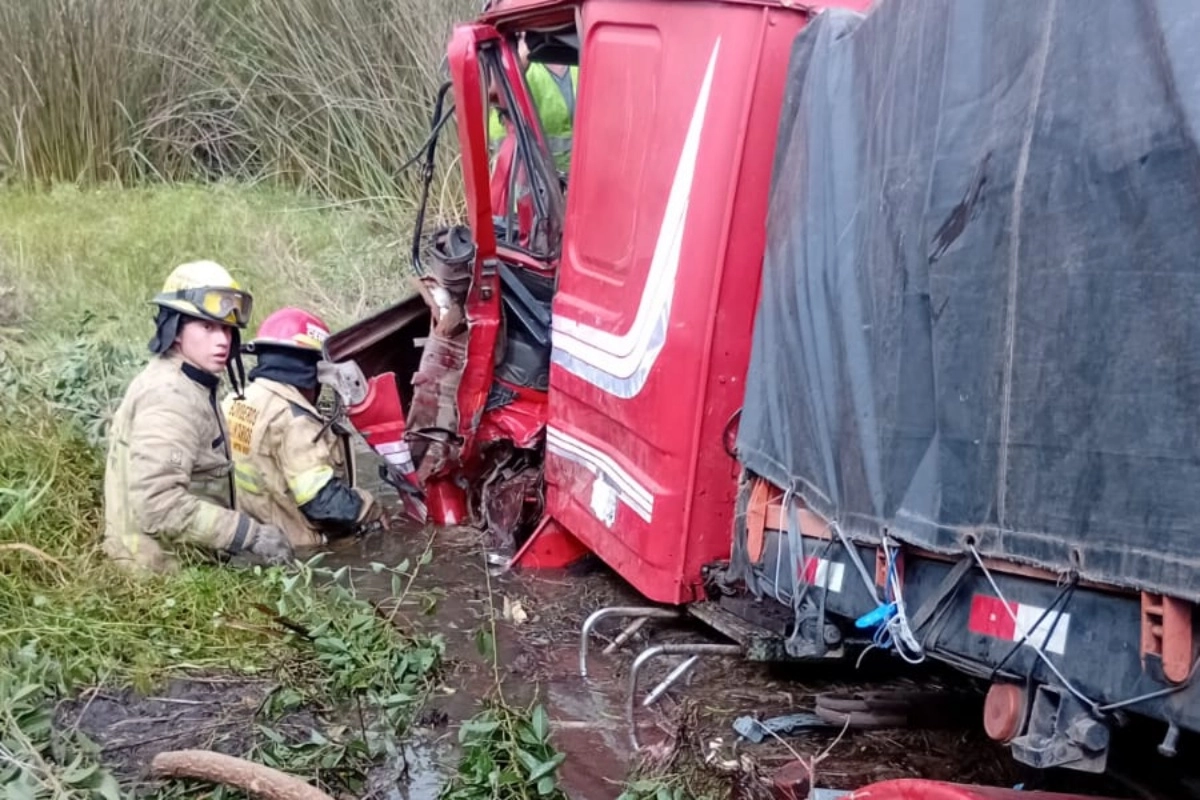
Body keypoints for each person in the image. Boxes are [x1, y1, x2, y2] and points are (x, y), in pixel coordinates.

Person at [103, 261, 294, 573]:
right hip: (160, 578)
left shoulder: (192, 382)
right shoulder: (169, 398)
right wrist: (250, 535)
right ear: (175, 330)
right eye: (207, 327)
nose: (222, 340)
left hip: (182, 567)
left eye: (227, 329)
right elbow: (158, 507)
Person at [222, 307, 384, 548]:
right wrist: (372, 508)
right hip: (297, 551)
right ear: (312, 368)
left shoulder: (236, 399)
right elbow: (324, 503)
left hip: (251, 539)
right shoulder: (296, 421)